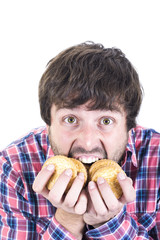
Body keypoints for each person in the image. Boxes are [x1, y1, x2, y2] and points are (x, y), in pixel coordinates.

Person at [0, 42, 159, 240]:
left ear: (129, 127)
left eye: (106, 121)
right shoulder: (12, 168)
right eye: (71, 120)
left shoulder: (157, 159)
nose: (88, 142)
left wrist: (109, 224)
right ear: (48, 122)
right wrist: (68, 219)